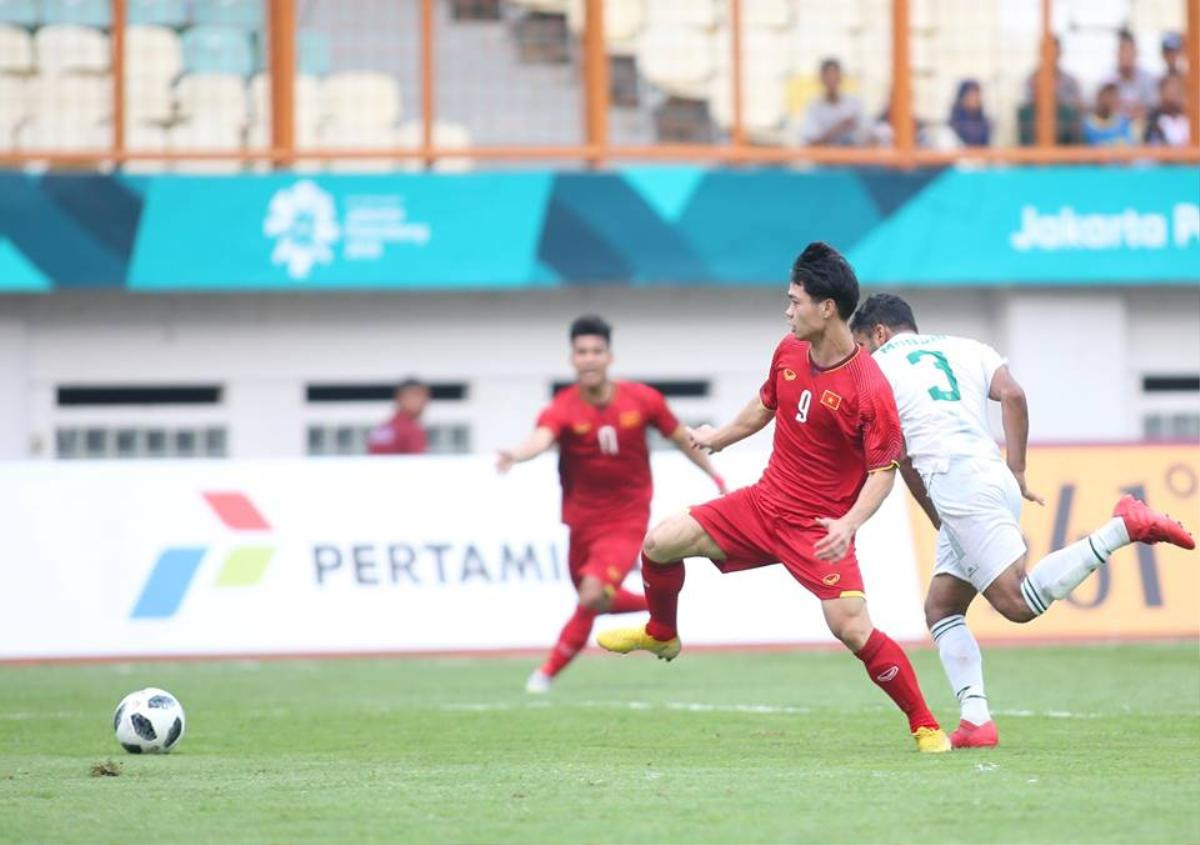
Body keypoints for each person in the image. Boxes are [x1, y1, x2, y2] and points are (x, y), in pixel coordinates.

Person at [598, 244, 952, 754]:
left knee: (851, 628)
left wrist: (848, 524)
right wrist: (718, 437)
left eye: (795, 301)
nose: (787, 311)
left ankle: (925, 725)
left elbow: (882, 471)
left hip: (819, 528)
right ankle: (661, 632)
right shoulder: (788, 351)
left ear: (826, 308)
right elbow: (766, 404)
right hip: (763, 506)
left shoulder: (868, 387)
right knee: (659, 542)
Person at [849, 293, 1195, 749]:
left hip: (954, 482)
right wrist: (1017, 470)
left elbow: (904, 457)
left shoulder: (877, 370)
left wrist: (938, 515)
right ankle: (976, 720)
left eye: (862, 346)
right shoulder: (968, 347)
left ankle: (1123, 527)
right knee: (942, 606)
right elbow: (1012, 394)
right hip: (991, 473)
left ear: (879, 333)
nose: (862, 357)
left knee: (1018, 603)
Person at [498, 315, 726, 693]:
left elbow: (681, 438)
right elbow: (539, 439)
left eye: (596, 351)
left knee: (591, 595)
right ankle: (660, 609)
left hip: (626, 519)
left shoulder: (643, 399)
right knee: (594, 601)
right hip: (579, 522)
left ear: (609, 357)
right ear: (572, 359)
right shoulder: (563, 408)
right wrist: (515, 453)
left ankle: (544, 676)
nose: (589, 358)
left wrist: (713, 474)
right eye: (582, 352)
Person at [798, 58, 863, 147]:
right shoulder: (814, 107)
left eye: (835, 76)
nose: (832, 81)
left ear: (840, 78)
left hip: (853, 158)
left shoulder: (854, 103)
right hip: (825, 159)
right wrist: (838, 129)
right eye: (829, 77)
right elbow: (812, 142)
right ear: (822, 79)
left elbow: (869, 135)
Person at [366, 378, 430, 455]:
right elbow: (417, 464)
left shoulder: (382, 429)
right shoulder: (412, 430)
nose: (424, 402)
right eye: (417, 396)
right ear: (401, 398)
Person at [1105, 28, 1158, 120]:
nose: (1126, 55)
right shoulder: (1107, 79)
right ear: (1117, 54)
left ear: (1136, 53)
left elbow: (1153, 107)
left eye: (1129, 51)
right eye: (1123, 51)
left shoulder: (1148, 79)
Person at [1144, 73, 1191, 146]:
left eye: (1177, 91)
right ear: (1161, 92)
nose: (1173, 94)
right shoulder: (1153, 119)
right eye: (1170, 91)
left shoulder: (1189, 117)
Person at [1082, 82, 1135, 146]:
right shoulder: (1085, 124)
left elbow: (1129, 145)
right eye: (1108, 96)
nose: (1111, 100)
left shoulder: (1124, 123)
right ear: (1099, 97)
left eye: (1115, 97)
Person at [948, 79, 990, 147]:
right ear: (962, 97)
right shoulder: (952, 125)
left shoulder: (986, 124)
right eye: (971, 95)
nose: (975, 99)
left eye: (977, 95)